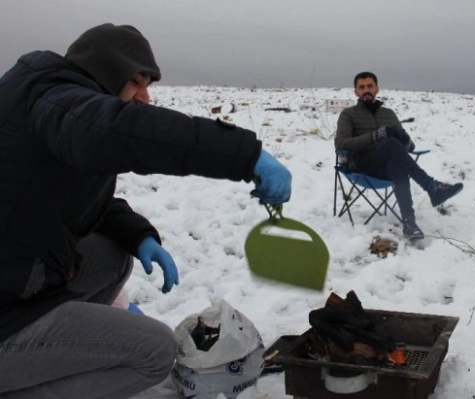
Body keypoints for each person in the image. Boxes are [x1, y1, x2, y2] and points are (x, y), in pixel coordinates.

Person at [0, 23, 291, 398]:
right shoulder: (58, 103)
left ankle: (58, 353)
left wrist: (139, 235)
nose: (145, 97)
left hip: (18, 280)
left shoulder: (44, 102)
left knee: (112, 255)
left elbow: (71, 197)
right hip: (8, 310)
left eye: (148, 86)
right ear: (105, 74)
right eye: (136, 83)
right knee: (154, 352)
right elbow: (128, 132)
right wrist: (245, 156)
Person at [335, 71, 463, 241]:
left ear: (377, 89)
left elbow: (409, 147)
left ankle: (410, 224)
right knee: (391, 144)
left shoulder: (388, 114)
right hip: (362, 166)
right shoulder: (348, 114)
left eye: (370, 86)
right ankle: (432, 187)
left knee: (397, 165)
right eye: (362, 87)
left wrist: (406, 140)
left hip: (386, 166)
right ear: (356, 92)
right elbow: (341, 143)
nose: (366, 90)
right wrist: (375, 136)